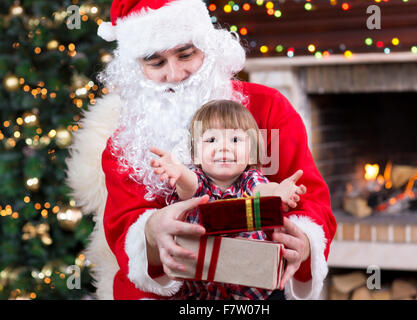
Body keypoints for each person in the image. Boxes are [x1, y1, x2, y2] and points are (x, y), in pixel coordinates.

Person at [66, 0, 337, 300]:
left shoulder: (268, 107)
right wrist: (153, 232)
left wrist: (306, 242)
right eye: (156, 63)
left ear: (208, 48)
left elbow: (311, 196)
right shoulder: (127, 140)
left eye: (186, 54)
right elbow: (123, 225)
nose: (175, 74)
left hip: (257, 289)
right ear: (137, 68)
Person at [149, 99, 306, 299]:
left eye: (235, 140)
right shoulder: (198, 181)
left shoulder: (249, 180)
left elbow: (263, 189)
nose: (223, 148)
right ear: (196, 152)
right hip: (202, 291)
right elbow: (189, 185)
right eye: (212, 140)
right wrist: (178, 171)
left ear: (251, 153)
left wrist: (279, 192)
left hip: (253, 290)